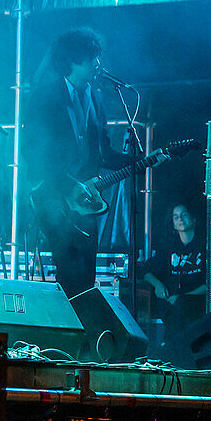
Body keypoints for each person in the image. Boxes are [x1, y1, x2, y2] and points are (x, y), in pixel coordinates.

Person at [23, 28, 134, 297]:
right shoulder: (45, 96)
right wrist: (68, 185)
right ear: (73, 60)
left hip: (86, 200)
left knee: (86, 276)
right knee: (69, 272)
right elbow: (33, 151)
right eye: (92, 58)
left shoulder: (95, 97)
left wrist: (139, 160)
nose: (98, 63)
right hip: (55, 197)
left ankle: (86, 335)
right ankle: (66, 335)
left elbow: (103, 151)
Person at [142, 203, 206, 345]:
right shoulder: (169, 247)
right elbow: (146, 270)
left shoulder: (205, 245)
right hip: (171, 302)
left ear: (193, 219)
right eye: (175, 216)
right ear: (173, 223)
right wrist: (158, 284)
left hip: (196, 300)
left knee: (181, 305)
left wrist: (182, 297)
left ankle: (168, 346)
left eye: (184, 214)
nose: (180, 219)